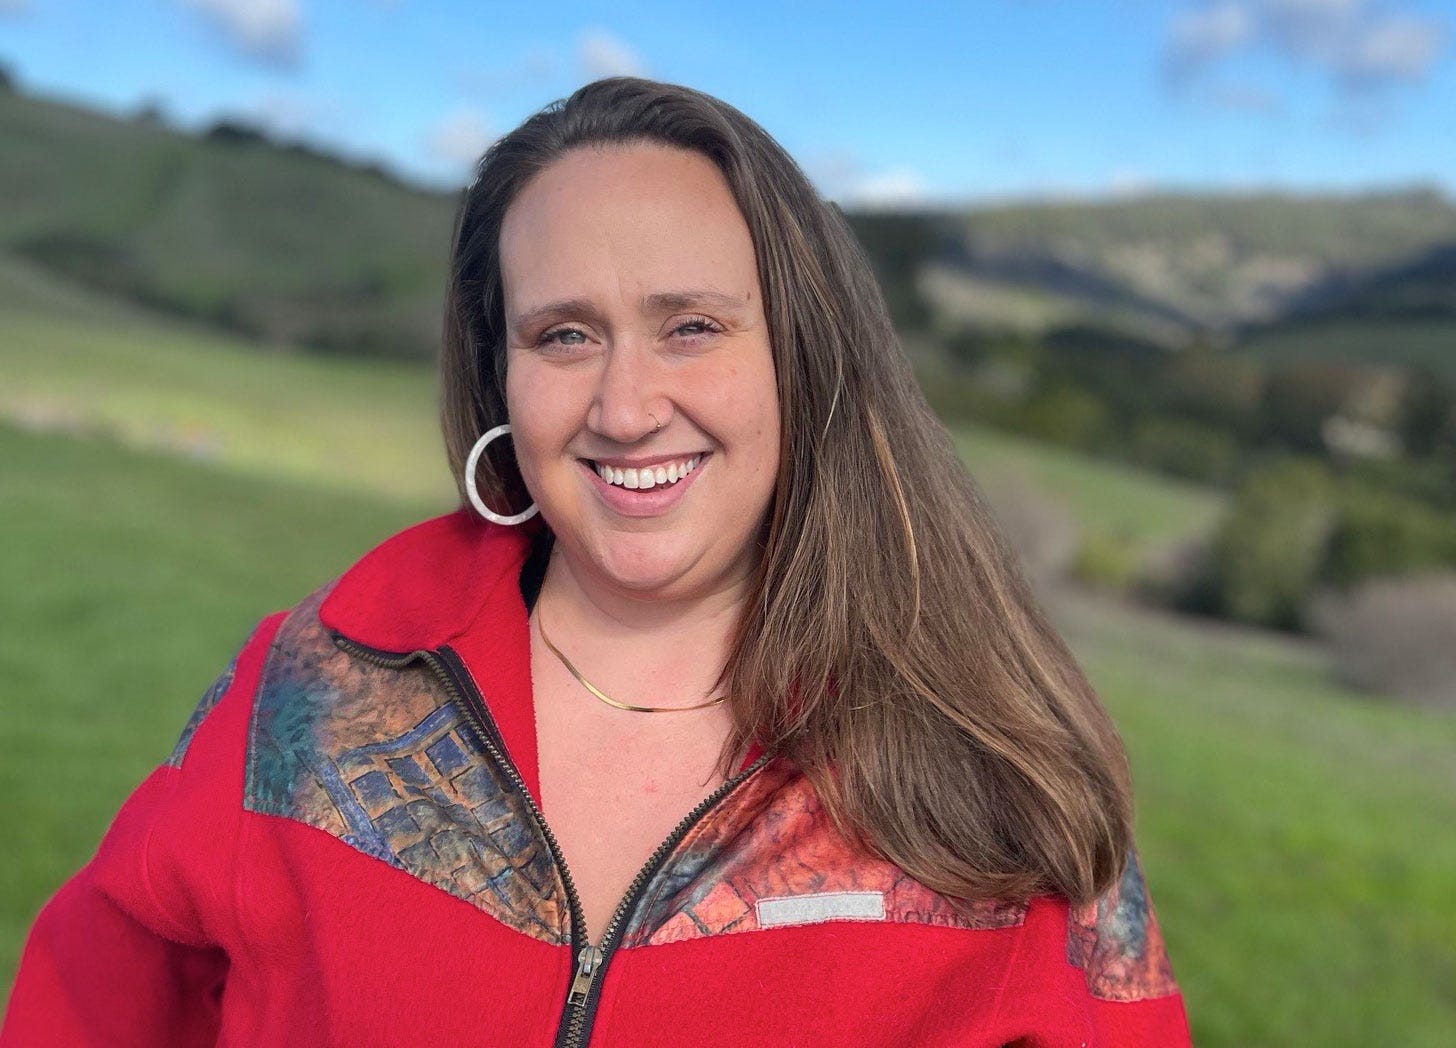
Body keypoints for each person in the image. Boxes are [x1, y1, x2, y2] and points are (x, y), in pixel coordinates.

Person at [1, 77, 1193, 1047]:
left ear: (805, 354)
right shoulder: (310, 688)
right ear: (500, 372)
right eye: (563, 334)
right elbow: (87, 1008)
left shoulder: (1000, 779)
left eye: (691, 326)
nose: (624, 408)